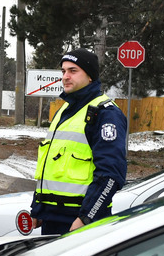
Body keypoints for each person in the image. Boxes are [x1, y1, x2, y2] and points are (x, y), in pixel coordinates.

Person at [30, 48, 128, 235]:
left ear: (90, 76)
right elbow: (49, 167)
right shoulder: (64, 110)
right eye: (63, 71)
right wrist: (38, 209)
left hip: (81, 223)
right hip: (52, 219)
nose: (65, 76)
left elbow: (111, 175)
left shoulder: (105, 113)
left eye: (73, 71)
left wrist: (86, 218)